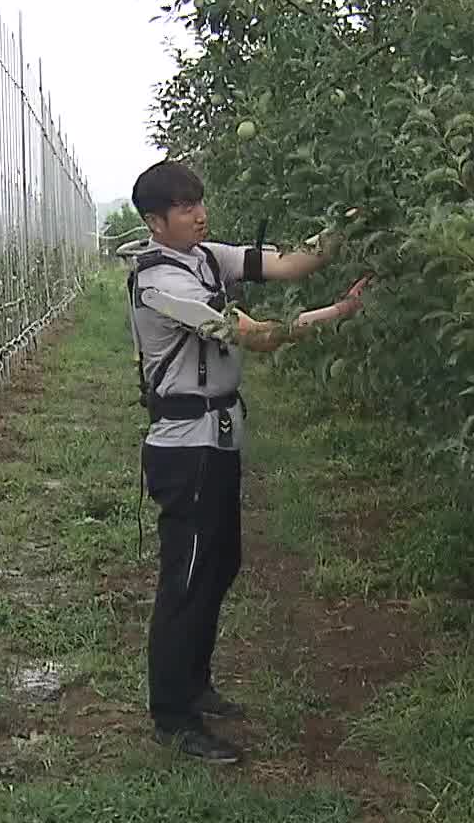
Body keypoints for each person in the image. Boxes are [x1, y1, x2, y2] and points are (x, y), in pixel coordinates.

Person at [120, 160, 372, 764]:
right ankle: (172, 715)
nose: (199, 214)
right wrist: (334, 315)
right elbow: (255, 335)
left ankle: (195, 683)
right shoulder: (160, 283)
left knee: (219, 564)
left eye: (199, 202)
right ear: (156, 222)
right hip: (186, 446)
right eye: (185, 207)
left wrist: (357, 219)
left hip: (219, 435)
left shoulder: (207, 257)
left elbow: (292, 261)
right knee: (187, 575)